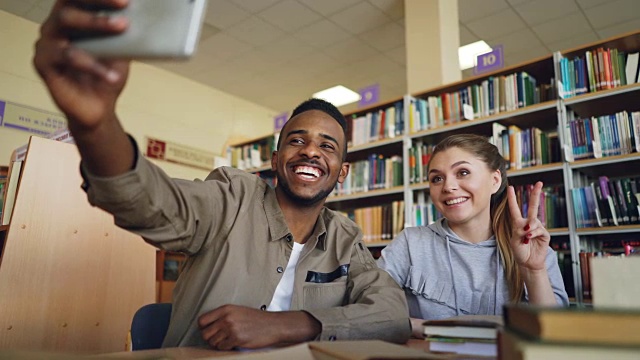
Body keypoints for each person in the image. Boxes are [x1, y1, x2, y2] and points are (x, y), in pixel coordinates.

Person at [33, 0, 410, 350]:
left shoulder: (345, 238)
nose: (311, 150)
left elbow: (392, 315)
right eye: (298, 141)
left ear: (342, 172)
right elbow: (152, 204)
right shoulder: (232, 196)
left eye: (327, 146)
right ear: (277, 159)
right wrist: (96, 126)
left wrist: (287, 325)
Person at [377, 134, 569, 338]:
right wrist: (417, 326)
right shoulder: (411, 243)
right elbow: (369, 314)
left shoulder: (530, 246)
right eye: (437, 178)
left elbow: (554, 335)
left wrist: (534, 270)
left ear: (495, 180)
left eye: (463, 172)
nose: (448, 187)